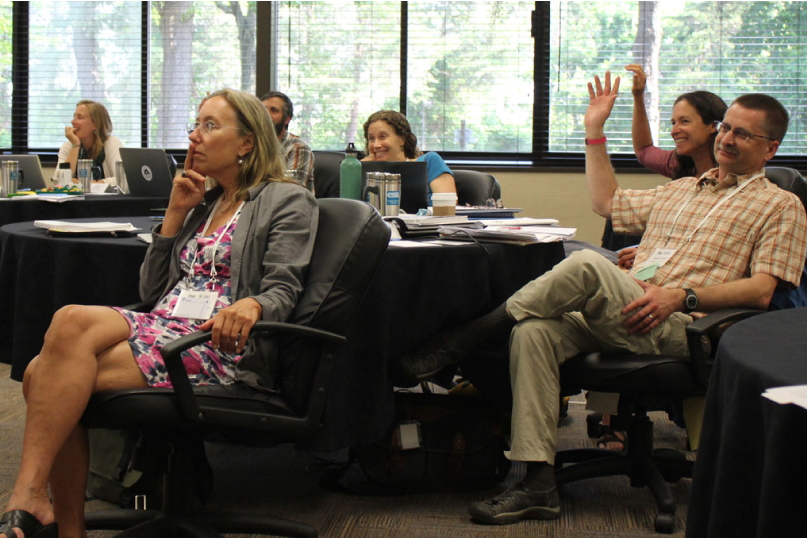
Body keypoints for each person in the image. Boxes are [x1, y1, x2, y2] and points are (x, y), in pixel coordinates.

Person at [396, 72, 807, 526]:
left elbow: (764, 289)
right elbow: (607, 202)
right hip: (629, 307)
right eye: (726, 127)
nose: (727, 139)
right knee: (536, 331)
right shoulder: (688, 187)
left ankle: (465, 338)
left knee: (588, 264)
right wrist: (594, 131)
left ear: (770, 148)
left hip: (685, 326)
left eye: (742, 134)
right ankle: (537, 482)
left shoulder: (781, 204)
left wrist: (684, 296)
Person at [0, 89, 318, 538]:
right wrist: (173, 214)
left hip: (215, 343)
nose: (195, 135)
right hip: (163, 326)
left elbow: (284, 287)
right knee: (68, 320)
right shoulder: (204, 202)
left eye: (210, 125)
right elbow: (151, 291)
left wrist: (254, 303)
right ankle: (35, 500)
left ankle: (52, 516)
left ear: (246, 142)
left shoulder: (285, 199)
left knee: (39, 374)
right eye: (196, 124)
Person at [614, 65, 728, 270]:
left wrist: (648, 251)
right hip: (662, 257)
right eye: (673, 122)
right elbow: (644, 150)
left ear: (714, 126)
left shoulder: (731, 173)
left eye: (684, 121)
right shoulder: (679, 162)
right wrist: (638, 97)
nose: (675, 131)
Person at [362, 110, 457, 196]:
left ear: (402, 139)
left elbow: (448, 208)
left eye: (382, 136)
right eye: (371, 139)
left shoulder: (429, 162)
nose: (376, 145)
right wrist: (359, 169)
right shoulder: (365, 171)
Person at [57, 100, 123, 186]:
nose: (73, 121)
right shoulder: (69, 145)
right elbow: (59, 182)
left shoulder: (111, 143)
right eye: (74, 116)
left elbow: (121, 179)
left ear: (95, 124)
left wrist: (92, 183)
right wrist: (75, 145)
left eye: (80, 117)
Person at [260, 91, 315, 192]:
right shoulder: (251, 146)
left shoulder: (298, 148)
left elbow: (291, 191)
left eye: (274, 110)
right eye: (263, 110)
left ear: (286, 119)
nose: (266, 115)